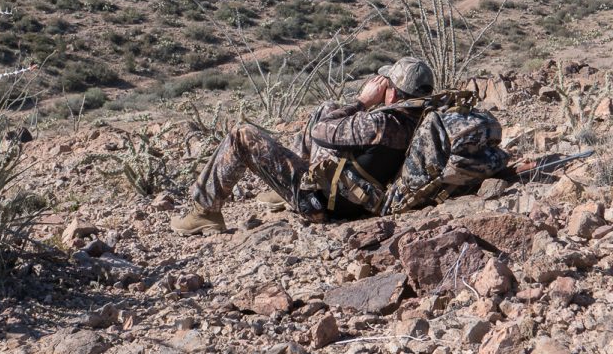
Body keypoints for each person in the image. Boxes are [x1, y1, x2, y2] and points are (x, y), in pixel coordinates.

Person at [171, 57, 435, 235]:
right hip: (350, 197)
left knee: (242, 135)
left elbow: (322, 132)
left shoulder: (382, 124)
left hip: (320, 203)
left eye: (386, 85)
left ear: (394, 93)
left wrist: (362, 101)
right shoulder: (415, 119)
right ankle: (282, 189)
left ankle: (204, 211)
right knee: (327, 108)